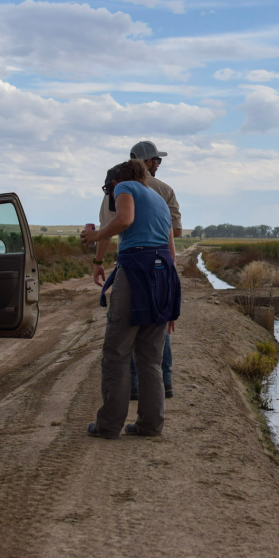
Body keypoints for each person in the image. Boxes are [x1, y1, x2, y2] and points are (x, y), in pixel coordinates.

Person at [82, 160, 180, 439]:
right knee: (150, 357)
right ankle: (150, 425)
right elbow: (172, 255)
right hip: (162, 276)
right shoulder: (159, 199)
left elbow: (124, 219)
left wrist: (95, 236)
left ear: (115, 184)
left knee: (117, 353)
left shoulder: (124, 186)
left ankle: (109, 425)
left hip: (136, 270)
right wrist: (170, 301)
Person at [97, 140, 182, 400]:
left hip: (133, 262)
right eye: (157, 160)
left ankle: (130, 388)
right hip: (161, 263)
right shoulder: (164, 191)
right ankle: (164, 383)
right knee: (156, 324)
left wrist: (97, 260)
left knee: (126, 329)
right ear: (147, 162)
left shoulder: (119, 187)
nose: (158, 165)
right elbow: (175, 232)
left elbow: (109, 226)